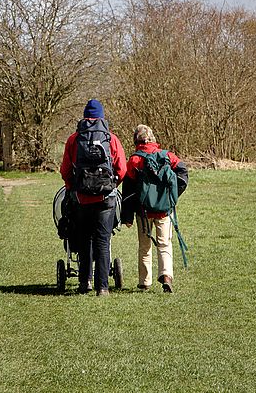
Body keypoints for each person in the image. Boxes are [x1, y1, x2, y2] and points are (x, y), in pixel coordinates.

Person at [60, 99, 127, 296]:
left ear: (84, 116)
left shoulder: (74, 139)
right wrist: (112, 185)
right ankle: (103, 287)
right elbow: (121, 169)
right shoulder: (111, 139)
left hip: (81, 198)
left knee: (84, 240)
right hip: (106, 199)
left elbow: (65, 170)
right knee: (103, 241)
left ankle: (85, 283)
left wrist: (73, 187)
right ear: (101, 117)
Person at [121, 124, 188, 293]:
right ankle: (166, 276)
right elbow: (183, 173)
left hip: (143, 212)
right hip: (165, 211)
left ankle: (145, 282)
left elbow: (127, 191)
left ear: (136, 140)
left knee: (144, 247)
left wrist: (127, 216)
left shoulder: (134, 160)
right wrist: (172, 196)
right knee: (165, 244)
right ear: (152, 138)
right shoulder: (167, 156)